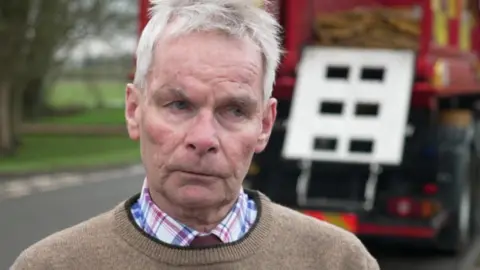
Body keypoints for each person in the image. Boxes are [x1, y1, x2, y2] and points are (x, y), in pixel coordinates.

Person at [11, 0, 380, 269]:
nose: (203, 138)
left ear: (265, 124)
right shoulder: (51, 265)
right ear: (134, 110)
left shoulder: (338, 261)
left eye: (234, 110)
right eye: (178, 105)